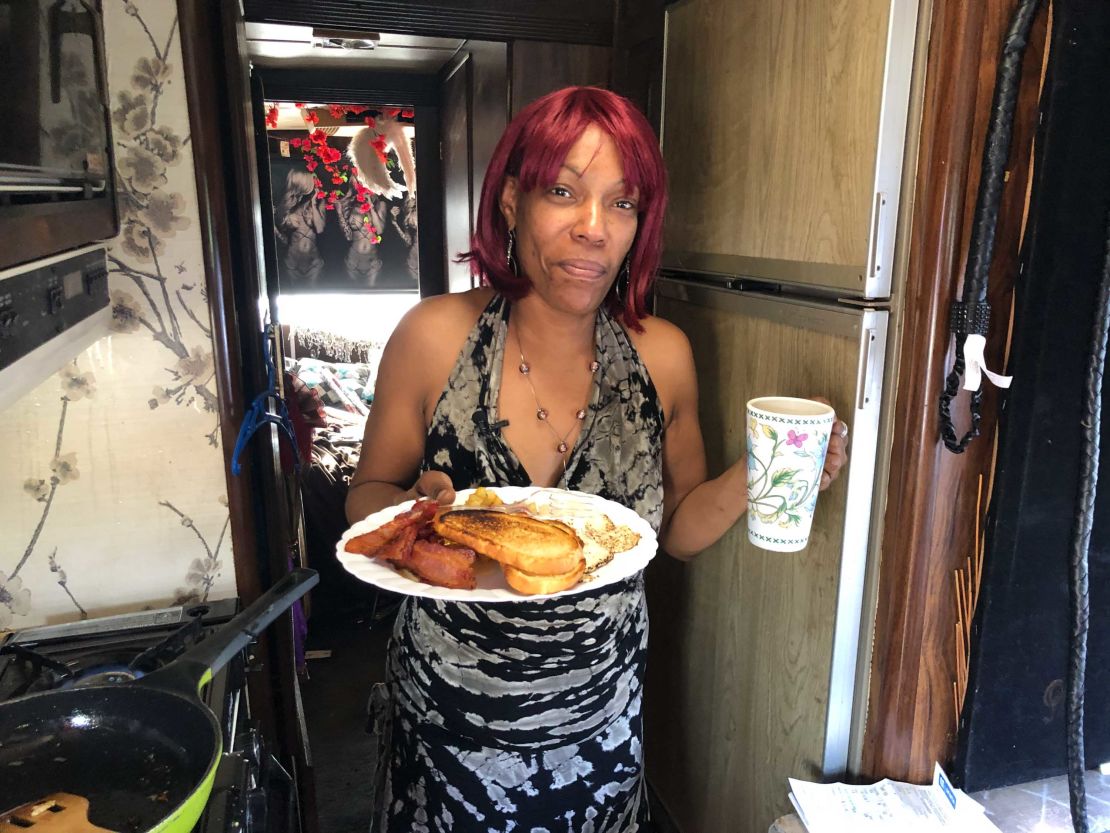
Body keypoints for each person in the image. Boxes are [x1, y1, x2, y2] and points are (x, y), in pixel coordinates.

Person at [345, 86, 849, 832]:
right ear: (512, 202)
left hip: (598, 734)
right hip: (451, 727)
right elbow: (364, 494)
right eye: (563, 192)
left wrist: (761, 476)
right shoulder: (432, 337)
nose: (593, 229)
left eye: (622, 203)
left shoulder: (663, 356)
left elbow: (675, 528)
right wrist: (416, 512)